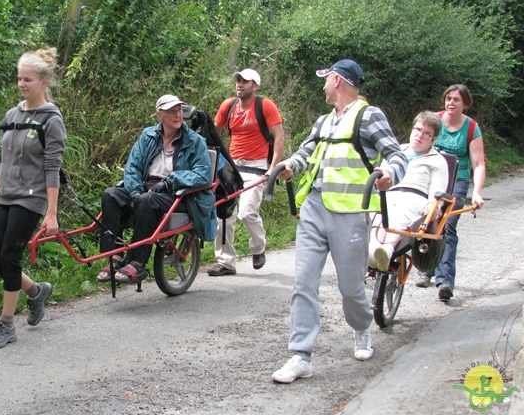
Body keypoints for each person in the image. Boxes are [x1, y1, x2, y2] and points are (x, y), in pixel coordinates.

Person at [271, 59, 408, 384]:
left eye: (325, 79)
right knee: (303, 283)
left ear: (338, 80)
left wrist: (389, 174)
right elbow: (306, 154)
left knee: (350, 288)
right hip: (314, 209)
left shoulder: (368, 116)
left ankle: (361, 329)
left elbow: (397, 156)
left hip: (350, 213)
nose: (322, 85)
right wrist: (291, 164)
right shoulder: (323, 121)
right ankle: (301, 356)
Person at [0, 48, 66, 350]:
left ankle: (6, 324)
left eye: (27, 79)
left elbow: (53, 168)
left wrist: (51, 213)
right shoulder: (12, 116)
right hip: (5, 196)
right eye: (19, 79)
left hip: (32, 198)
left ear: (43, 82)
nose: (21, 84)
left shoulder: (51, 120)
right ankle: (36, 291)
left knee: (9, 258)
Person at [96, 95, 216, 284]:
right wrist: (134, 191)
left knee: (146, 200)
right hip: (147, 187)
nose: (177, 115)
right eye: (171, 111)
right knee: (111, 194)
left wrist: (170, 182)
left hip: (177, 194)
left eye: (179, 110)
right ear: (159, 115)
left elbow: (202, 175)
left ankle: (137, 262)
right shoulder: (148, 135)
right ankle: (115, 256)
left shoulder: (195, 141)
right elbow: (133, 167)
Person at [206, 68, 285, 276]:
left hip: (256, 167)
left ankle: (258, 248)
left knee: (247, 212)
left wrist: (272, 167)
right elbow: (213, 133)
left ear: (255, 86)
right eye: (238, 80)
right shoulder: (228, 106)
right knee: (224, 215)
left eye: (245, 81)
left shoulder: (265, 106)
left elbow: (279, 137)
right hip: (231, 167)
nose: (239, 84)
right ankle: (226, 263)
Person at [415, 84, 486, 300]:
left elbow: (478, 163)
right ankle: (425, 270)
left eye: (456, 99)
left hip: (458, 179)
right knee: (427, 221)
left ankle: (444, 281)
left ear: (465, 103)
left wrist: (477, 192)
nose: (450, 103)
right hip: (433, 175)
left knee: (447, 227)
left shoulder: (472, 128)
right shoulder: (435, 121)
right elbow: (418, 145)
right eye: (448, 98)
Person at [368, 111, 449, 272]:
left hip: (416, 196)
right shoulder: (397, 151)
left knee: (403, 210)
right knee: (379, 210)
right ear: (412, 130)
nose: (420, 135)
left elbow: (437, 189)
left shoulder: (437, 161)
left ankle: (387, 249)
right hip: (390, 192)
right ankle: (375, 250)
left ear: (433, 139)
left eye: (427, 133)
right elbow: (383, 176)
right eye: (418, 129)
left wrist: (434, 206)